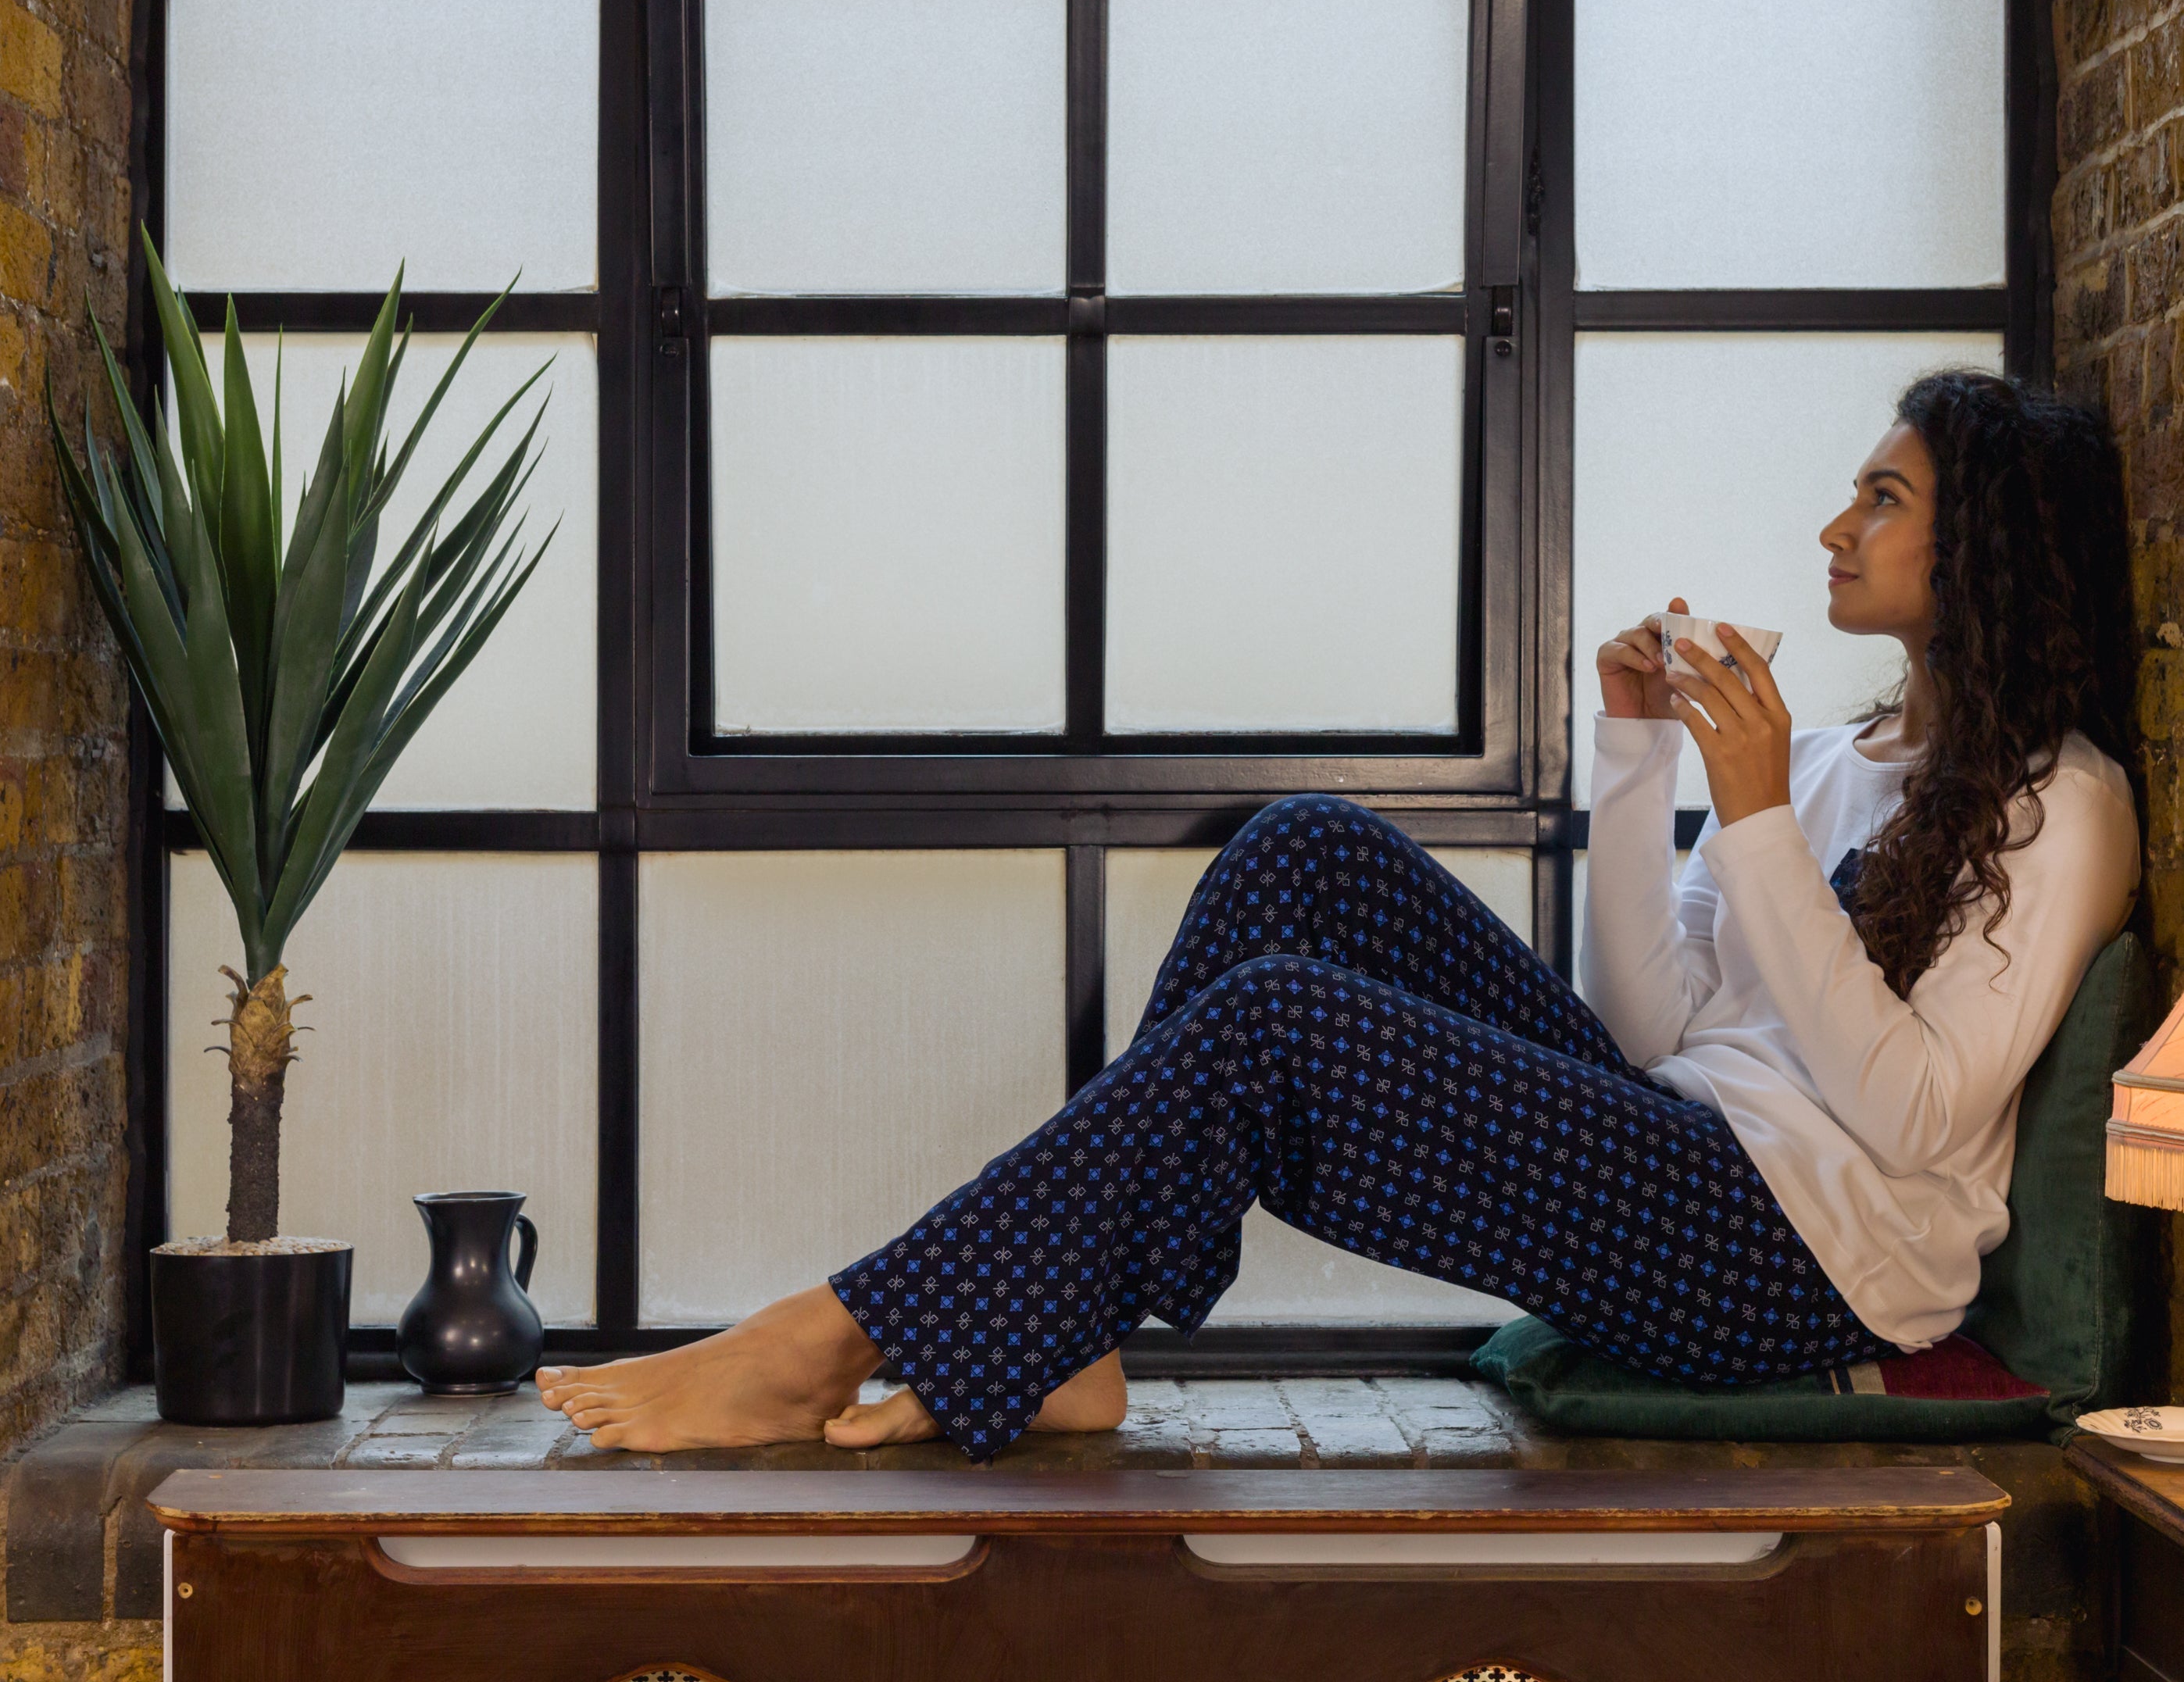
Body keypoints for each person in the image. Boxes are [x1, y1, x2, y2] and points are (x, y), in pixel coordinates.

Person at [537, 370, 2140, 1459]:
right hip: (1692, 1152)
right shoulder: (1832, 760)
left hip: (1802, 1267)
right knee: (1305, 850)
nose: (1833, 527)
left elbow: (1924, 1119)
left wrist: (1765, 821)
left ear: (1983, 543)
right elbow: (1659, 1032)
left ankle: (835, 1336)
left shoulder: (2065, 804)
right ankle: (1066, 1334)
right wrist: (1647, 762)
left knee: (1278, 1027)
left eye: (1880, 497)